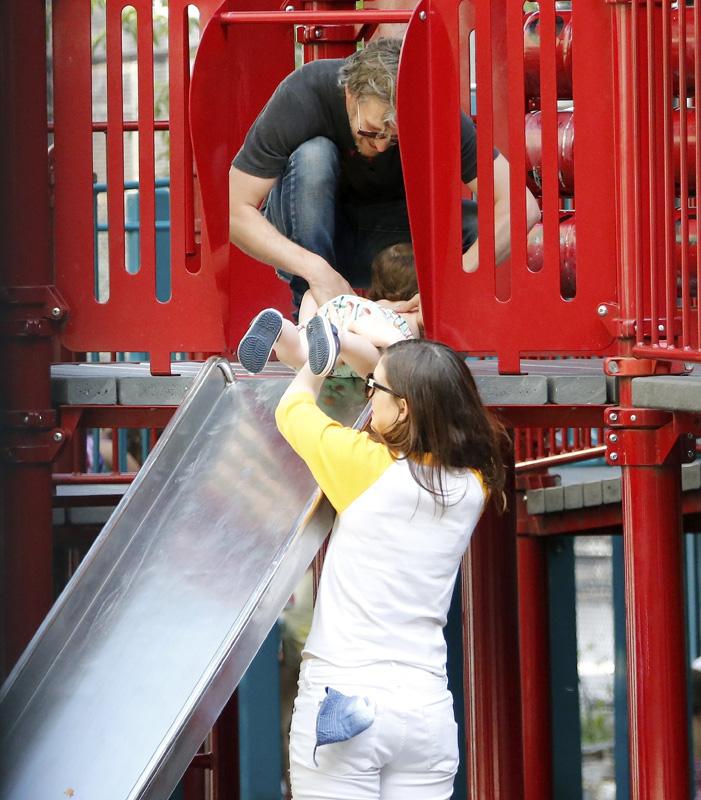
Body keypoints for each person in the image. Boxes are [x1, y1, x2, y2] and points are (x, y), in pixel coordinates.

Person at [274, 338, 507, 800]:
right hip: (426, 712)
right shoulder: (476, 483)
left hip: (346, 699)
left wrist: (315, 366)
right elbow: (413, 388)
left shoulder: (365, 468)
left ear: (402, 408)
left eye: (372, 389)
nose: (366, 395)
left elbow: (292, 409)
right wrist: (375, 368)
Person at [229, 38, 541, 312]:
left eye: (393, 139)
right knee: (314, 154)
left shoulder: (433, 109)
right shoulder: (304, 93)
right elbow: (232, 213)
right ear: (350, 94)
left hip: (381, 237)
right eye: (371, 132)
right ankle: (314, 317)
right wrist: (315, 269)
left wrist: (459, 277)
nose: (380, 146)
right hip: (304, 233)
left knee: (474, 226)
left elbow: (521, 207)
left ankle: (422, 322)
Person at [237, 243, 422, 378]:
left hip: (337, 315)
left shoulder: (370, 304)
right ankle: (340, 338)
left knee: (300, 352)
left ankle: (281, 331)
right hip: (362, 331)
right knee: (376, 364)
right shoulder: (411, 311)